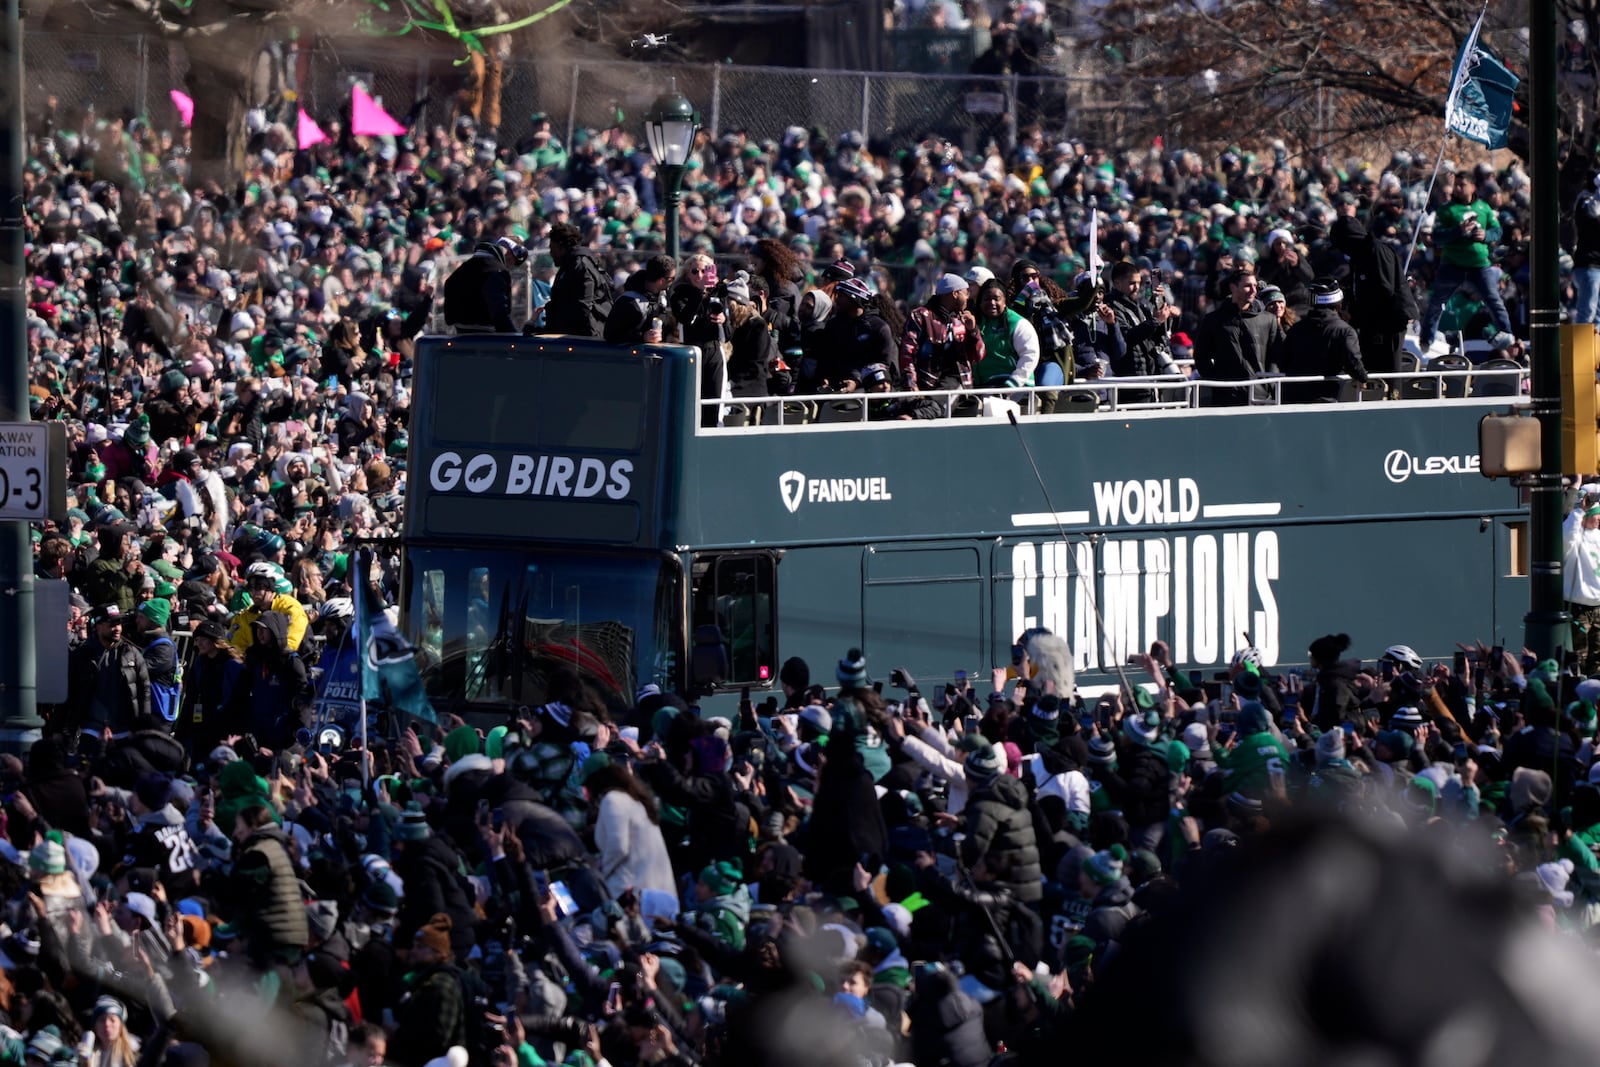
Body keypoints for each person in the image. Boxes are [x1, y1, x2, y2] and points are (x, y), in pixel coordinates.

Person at [1418, 172, 1514, 351]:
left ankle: (1507, 333)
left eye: (1462, 185)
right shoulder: (1446, 209)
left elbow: (1497, 231)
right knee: (1438, 301)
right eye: (1456, 185)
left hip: (1479, 265)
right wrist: (1458, 230)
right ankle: (1426, 338)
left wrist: (1485, 235)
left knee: (1494, 300)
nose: (1458, 188)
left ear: (1472, 187)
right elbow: (1437, 236)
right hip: (1452, 264)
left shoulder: (1483, 207)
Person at [1329, 202, 1418, 375]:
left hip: (1389, 322)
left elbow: (1384, 290)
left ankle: (1393, 399)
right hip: (1371, 323)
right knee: (1371, 365)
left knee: (1389, 368)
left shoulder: (1376, 252)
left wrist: (1356, 313)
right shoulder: (1358, 257)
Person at [65, 604, 150, 758]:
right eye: (112, 624)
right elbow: (68, 692)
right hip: (89, 731)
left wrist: (144, 727)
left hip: (124, 731)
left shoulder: (132, 653)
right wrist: (61, 729)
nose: (117, 628)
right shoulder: (81, 655)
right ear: (98, 626)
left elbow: (145, 690)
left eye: (119, 623)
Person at [898, 274, 984, 419]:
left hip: (956, 381)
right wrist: (912, 387)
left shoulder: (963, 319)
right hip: (924, 383)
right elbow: (907, 354)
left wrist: (973, 331)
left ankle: (914, 417)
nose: (968, 298)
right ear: (955, 293)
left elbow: (978, 356)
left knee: (939, 404)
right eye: (965, 293)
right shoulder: (920, 316)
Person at [1194, 264, 1279, 407]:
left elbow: (1277, 355)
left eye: (1255, 286)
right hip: (1225, 398)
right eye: (1247, 286)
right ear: (1233, 288)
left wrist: (1268, 383)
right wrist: (1218, 382)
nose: (1253, 290)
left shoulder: (1268, 320)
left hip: (1261, 398)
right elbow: (1201, 356)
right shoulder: (1214, 320)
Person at [1278, 277, 1369, 403]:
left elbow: (1283, 363)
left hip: (1293, 399)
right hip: (1325, 400)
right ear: (1339, 304)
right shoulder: (1345, 331)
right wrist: (1363, 378)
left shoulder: (1296, 329)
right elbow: (1353, 364)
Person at [1105, 261, 1180, 401]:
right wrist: (1156, 320)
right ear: (1117, 283)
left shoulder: (1140, 306)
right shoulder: (1111, 307)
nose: (1137, 287)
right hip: (1129, 381)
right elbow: (1126, 337)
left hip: (1149, 379)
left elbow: (1158, 337)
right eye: (1132, 283)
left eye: (1139, 283)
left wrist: (1168, 317)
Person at [818, 278, 900, 392]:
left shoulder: (879, 328)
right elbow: (827, 357)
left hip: (868, 390)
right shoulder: (833, 325)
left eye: (841, 296)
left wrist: (857, 382)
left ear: (854, 299)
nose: (837, 300)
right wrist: (825, 378)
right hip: (836, 388)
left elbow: (884, 365)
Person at [544, 224, 613, 337]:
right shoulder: (569, 265)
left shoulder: (580, 266)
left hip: (585, 339)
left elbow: (584, 308)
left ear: (561, 246)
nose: (551, 253)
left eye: (552, 248)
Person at [971, 278, 1040, 388]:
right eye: (986, 299)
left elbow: (1030, 355)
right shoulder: (975, 322)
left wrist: (1013, 383)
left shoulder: (1017, 323)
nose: (992, 303)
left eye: (996, 299)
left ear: (1005, 301)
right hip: (983, 384)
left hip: (1013, 384)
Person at [442, 239, 521, 334]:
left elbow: (449, 316)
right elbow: (499, 313)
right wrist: (513, 336)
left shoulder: (461, 271)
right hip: (487, 337)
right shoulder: (496, 271)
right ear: (508, 255)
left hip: (460, 335)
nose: (511, 265)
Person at [229, 562, 309, 653]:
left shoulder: (289, 607)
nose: (253, 593)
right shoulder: (245, 616)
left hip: (287, 661)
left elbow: (291, 644)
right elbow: (234, 647)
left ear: (270, 587)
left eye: (258, 587)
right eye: (250, 588)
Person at [604, 254, 675, 344]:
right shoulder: (629, 302)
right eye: (672, 278)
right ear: (661, 281)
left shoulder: (662, 296)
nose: (673, 282)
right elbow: (610, 335)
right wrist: (642, 337)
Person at [1565, 497, 1600, 675]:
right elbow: (1567, 535)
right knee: (1579, 654)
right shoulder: (1575, 537)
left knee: (1598, 653)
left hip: (1598, 606)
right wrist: (1580, 510)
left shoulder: (1598, 536)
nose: (1599, 518)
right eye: (1596, 514)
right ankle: (1580, 689)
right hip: (1579, 607)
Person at [1576, 173, 1600, 325]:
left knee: (1598, 316)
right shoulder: (1586, 202)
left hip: (1596, 266)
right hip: (1589, 266)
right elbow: (1592, 214)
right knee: (1587, 313)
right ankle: (1579, 348)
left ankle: (1596, 348)